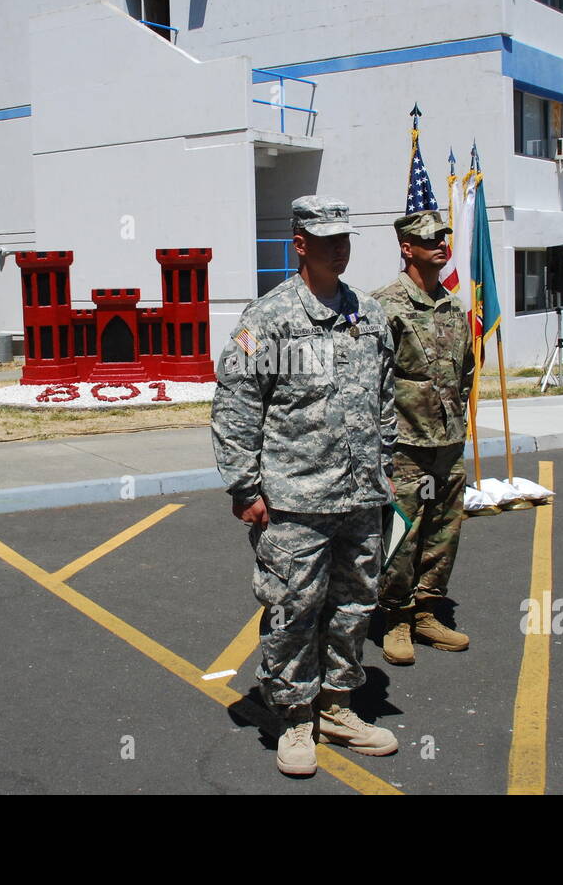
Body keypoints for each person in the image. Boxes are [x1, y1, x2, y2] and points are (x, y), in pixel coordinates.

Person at [211, 195, 399, 777]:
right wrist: (245, 488)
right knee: (294, 607)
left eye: (344, 239)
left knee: (353, 604)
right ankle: (293, 715)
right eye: (325, 240)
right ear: (299, 244)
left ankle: (338, 706)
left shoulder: (368, 314)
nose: (338, 248)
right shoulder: (270, 320)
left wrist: (384, 464)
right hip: (295, 499)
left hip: (362, 497)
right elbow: (236, 405)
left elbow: (384, 398)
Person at [372, 210, 475, 666]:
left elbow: (466, 372)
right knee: (402, 535)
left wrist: (457, 425)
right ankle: (395, 615)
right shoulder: (384, 306)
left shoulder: (452, 305)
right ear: (407, 247)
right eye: (430, 238)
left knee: (443, 531)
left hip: (448, 446)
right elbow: (369, 380)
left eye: (443, 237)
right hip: (405, 448)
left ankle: (428, 611)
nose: (440, 244)